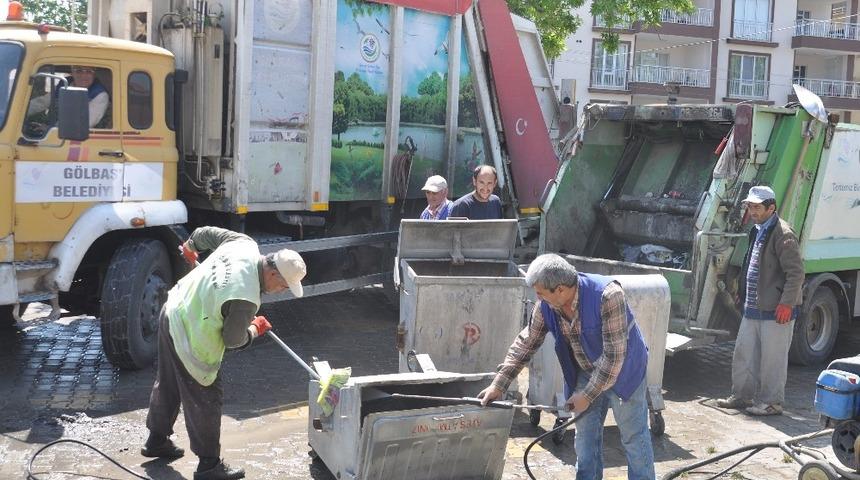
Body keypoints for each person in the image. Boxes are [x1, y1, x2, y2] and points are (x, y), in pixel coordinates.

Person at [141, 226, 307, 480]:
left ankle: (156, 441)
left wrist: (190, 246)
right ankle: (209, 466)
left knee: (170, 381)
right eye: (283, 286)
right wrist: (254, 328)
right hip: (191, 334)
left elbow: (203, 233)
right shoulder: (246, 298)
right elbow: (232, 340)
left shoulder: (244, 243)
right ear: (272, 273)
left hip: (174, 308)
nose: (281, 291)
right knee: (206, 397)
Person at [478, 254, 654, 480]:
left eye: (540, 292)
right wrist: (499, 384)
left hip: (624, 371)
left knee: (634, 439)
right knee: (585, 440)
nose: (537, 297)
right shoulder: (546, 306)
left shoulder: (608, 296)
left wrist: (587, 396)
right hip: (587, 369)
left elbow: (613, 359)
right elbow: (527, 343)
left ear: (560, 289)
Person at [717, 186, 804, 416]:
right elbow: (752, 265)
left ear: (771, 208)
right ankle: (742, 397)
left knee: (772, 361)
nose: (751, 211)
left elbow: (796, 274)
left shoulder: (783, 233)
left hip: (777, 310)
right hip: (753, 308)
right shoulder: (756, 229)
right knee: (743, 354)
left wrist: (787, 303)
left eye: (756, 207)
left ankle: (772, 403)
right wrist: (743, 292)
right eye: (750, 206)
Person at [26, 65, 110, 130]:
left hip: (82, 140)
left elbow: (84, 124)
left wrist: (51, 129)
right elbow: (42, 102)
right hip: (56, 133)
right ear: (72, 72)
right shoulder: (64, 84)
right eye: (78, 70)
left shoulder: (99, 95)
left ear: (94, 75)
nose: (83, 75)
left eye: (88, 71)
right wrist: (21, 111)